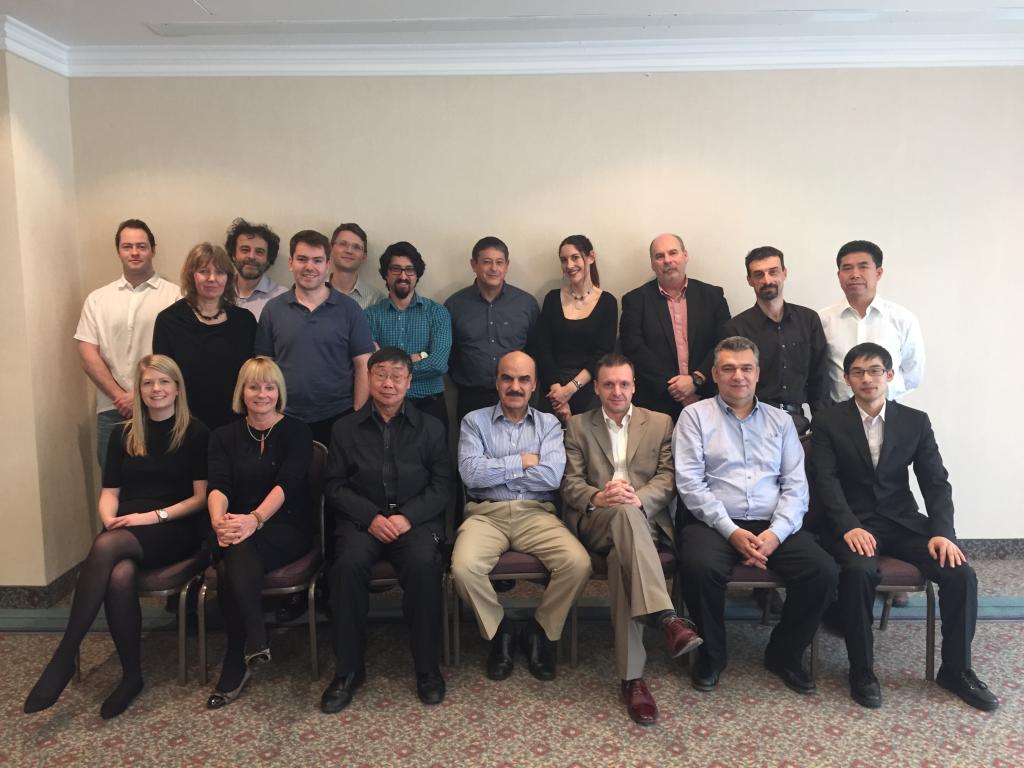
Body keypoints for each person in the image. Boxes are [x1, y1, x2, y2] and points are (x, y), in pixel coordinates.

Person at [809, 342, 998, 712]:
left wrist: (943, 532)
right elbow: (825, 481)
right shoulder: (829, 421)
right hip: (853, 523)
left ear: (890, 375)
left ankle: (956, 670)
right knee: (858, 572)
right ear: (847, 379)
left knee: (960, 573)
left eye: (875, 371)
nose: (867, 379)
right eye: (858, 372)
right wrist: (847, 526)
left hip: (902, 520)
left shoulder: (915, 421)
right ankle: (861, 670)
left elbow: (935, 482)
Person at [24, 355, 208, 719]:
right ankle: (131, 676)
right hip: (126, 527)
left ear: (177, 388)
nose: (156, 389)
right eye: (148, 383)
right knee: (119, 574)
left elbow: (200, 498)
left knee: (107, 546)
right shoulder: (124, 433)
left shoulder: (195, 432)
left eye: (163, 382)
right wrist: (109, 518)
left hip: (174, 526)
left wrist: (151, 517)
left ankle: (66, 653)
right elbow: (110, 492)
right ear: (138, 390)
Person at [674, 336, 837, 695]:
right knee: (698, 567)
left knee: (823, 571)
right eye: (729, 368)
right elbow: (690, 483)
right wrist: (730, 531)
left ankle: (784, 654)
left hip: (772, 523)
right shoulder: (694, 417)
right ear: (715, 374)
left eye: (746, 368)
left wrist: (776, 534)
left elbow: (796, 486)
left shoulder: (781, 422)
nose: (739, 376)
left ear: (758, 373)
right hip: (714, 522)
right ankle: (712, 657)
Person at [562, 353, 701, 725]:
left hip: (645, 520)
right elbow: (570, 484)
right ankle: (666, 617)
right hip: (598, 520)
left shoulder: (660, 422)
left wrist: (638, 498)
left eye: (624, 384)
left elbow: (669, 478)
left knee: (621, 560)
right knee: (622, 515)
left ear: (634, 386)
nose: (617, 391)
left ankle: (632, 678)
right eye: (608, 384)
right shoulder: (578, 426)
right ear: (596, 388)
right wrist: (599, 496)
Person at [320, 347, 452, 713]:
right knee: (346, 568)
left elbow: (443, 485)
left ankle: (427, 668)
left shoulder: (431, 428)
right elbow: (334, 486)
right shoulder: (345, 429)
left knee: (425, 566)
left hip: (414, 522)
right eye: (380, 375)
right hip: (363, 522)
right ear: (368, 378)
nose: (388, 383)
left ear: (409, 382)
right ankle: (348, 671)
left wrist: (406, 517)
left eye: (397, 376)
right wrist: (371, 517)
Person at [452, 351, 591, 682]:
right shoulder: (474, 421)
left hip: (537, 514)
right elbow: (471, 475)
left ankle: (539, 632)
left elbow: (551, 478)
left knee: (578, 564)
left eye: (523, 379)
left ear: (534, 385)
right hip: (485, 514)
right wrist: (523, 461)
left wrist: (497, 470)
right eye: (508, 378)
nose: (515, 386)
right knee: (463, 568)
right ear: (497, 382)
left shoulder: (549, 424)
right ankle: (499, 630)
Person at [204, 357, 314, 709]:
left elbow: (288, 484)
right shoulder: (223, 436)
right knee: (234, 554)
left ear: (279, 392)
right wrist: (219, 522)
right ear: (242, 391)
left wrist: (255, 519)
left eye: (269, 387)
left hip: (284, 526)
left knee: (232, 559)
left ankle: (241, 651)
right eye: (254, 386)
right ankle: (254, 641)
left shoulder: (297, 431)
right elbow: (218, 485)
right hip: (235, 525)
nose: (261, 394)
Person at [75, 219, 181, 466]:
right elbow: (87, 353)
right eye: (127, 246)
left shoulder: (175, 296)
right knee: (113, 481)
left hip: (162, 408)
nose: (135, 252)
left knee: (163, 478)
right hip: (112, 409)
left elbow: (181, 355)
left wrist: (140, 397)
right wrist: (121, 396)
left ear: (153, 250)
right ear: (118, 251)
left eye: (142, 246)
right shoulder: (98, 299)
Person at [255, 229, 375, 445]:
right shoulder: (273, 309)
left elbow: (363, 365)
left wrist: (357, 416)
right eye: (302, 259)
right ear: (291, 263)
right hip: (283, 415)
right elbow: (264, 365)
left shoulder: (350, 309)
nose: (309, 267)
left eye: (317, 260)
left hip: (339, 416)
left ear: (327, 265)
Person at [620, 233, 730, 419]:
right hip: (656, 403)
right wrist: (676, 388)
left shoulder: (713, 296)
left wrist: (696, 380)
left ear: (685, 256)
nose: (667, 260)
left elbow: (725, 343)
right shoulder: (635, 300)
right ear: (652, 263)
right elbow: (633, 348)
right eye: (659, 256)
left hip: (708, 398)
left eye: (673, 253)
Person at [721, 246, 829, 434]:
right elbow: (731, 383)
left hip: (798, 424)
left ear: (784, 273)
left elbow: (820, 376)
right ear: (749, 280)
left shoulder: (808, 319)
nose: (767, 280)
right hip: (752, 424)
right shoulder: (735, 328)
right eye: (759, 274)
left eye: (773, 272)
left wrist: (822, 427)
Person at [153, 242, 257, 430]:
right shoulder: (169, 321)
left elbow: (252, 378)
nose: (212, 278)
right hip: (186, 426)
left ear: (228, 278)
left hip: (236, 426)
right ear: (191, 275)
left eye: (220, 272)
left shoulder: (245, 321)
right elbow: (164, 379)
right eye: (203, 271)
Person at [445, 236, 540, 422]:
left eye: (499, 262)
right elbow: (449, 353)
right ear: (474, 265)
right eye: (487, 262)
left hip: (517, 395)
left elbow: (536, 350)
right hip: (472, 396)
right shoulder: (455, 305)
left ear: (507, 265)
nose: (494, 268)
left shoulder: (526, 304)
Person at [819, 240, 925, 404]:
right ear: (839, 275)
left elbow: (913, 373)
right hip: (838, 411)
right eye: (847, 268)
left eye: (863, 267)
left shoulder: (902, 319)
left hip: (888, 409)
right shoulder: (823, 320)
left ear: (878, 273)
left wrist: (886, 397)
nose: (855, 274)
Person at [365, 242, 452, 430]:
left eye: (410, 270)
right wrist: (418, 357)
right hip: (385, 407)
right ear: (386, 274)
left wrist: (391, 370)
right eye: (396, 269)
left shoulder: (437, 313)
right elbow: (371, 366)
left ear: (417, 274)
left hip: (429, 404)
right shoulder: (370, 315)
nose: (403, 276)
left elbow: (438, 364)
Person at [530, 234, 617, 423]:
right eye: (564, 260)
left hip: (590, 388)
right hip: (552, 390)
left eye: (575, 257)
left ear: (590, 257)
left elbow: (602, 354)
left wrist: (569, 390)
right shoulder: (552, 298)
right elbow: (542, 348)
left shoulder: (608, 302)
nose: (569, 265)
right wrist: (558, 393)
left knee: (587, 441)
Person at [226, 218, 287, 320]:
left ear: (268, 259)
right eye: (245, 250)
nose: (251, 256)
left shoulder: (282, 299)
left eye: (259, 252)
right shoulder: (218, 290)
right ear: (233, 255)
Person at [328, 222, 384, 309]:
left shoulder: (375, 299)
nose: (349, 251)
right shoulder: (313, 291)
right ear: (331, 249)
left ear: (364, 257)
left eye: (356, 247)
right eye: (343, 244)